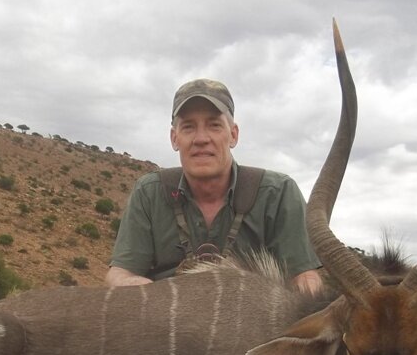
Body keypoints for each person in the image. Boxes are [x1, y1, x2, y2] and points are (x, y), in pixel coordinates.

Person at [105, 78, 324, 293]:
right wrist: (159, 299)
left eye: (214, 125)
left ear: (233, 135)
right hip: (165, 321)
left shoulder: (279, 193)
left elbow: (305, 277)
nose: (201, 138)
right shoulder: (148, 192)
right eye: (188, 127)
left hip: (255, 322)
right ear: (174, 138)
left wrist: (304, 299)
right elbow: (119, 275)